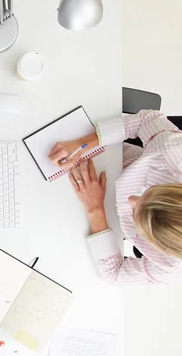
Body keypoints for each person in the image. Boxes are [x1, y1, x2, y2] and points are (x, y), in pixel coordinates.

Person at [49, 110, 182, 284]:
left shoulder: (171, 268)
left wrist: (95, 210)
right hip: (110, 157)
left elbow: (115, 274)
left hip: (96, 216)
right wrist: (85, 143)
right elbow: (145, 121)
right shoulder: (173, 154)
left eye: (136, 214)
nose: (130, 201)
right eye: (147, 192)